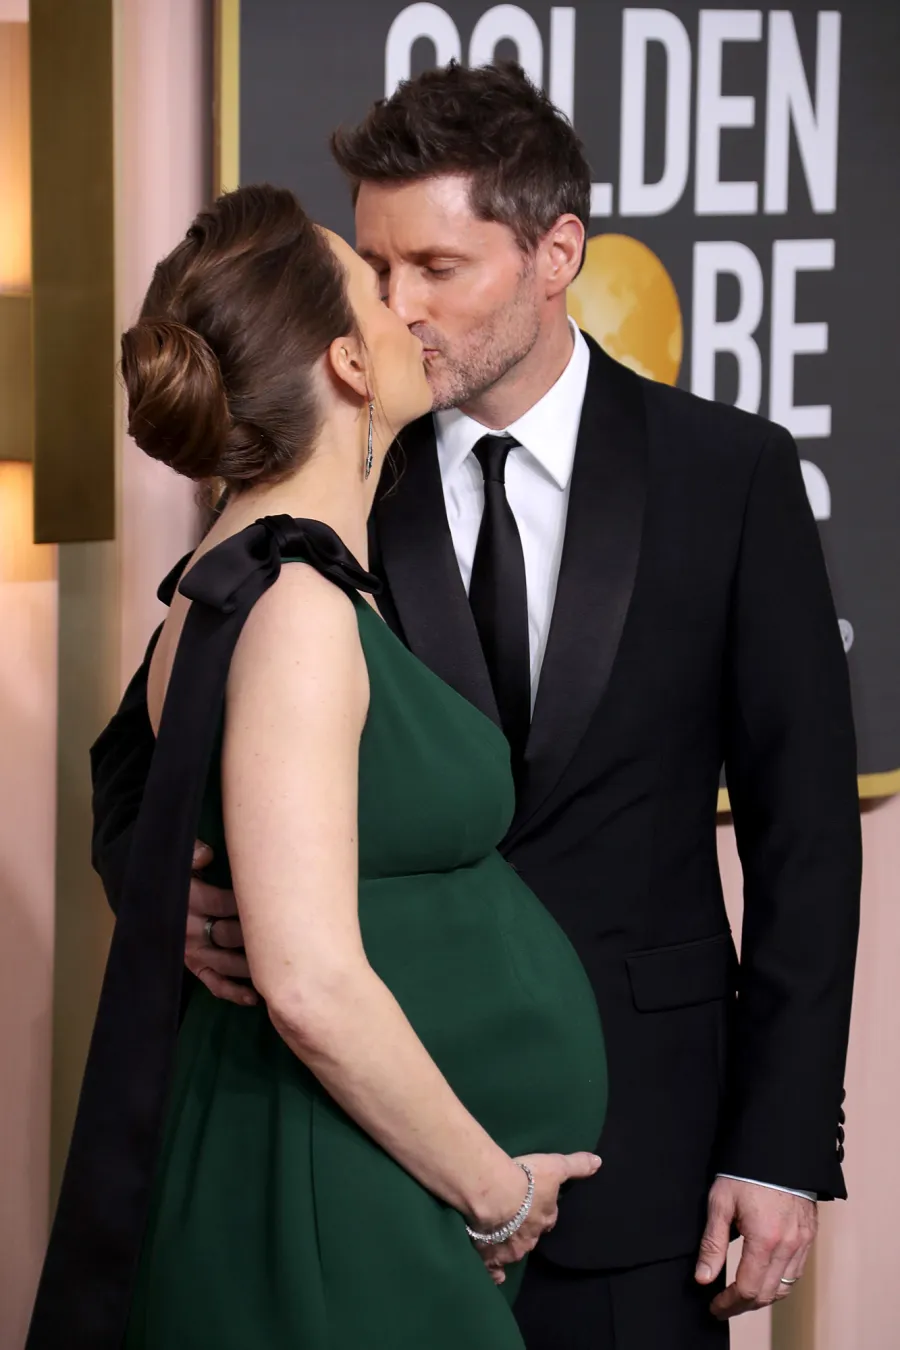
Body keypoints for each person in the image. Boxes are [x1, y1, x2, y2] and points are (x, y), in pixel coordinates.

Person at [89, 62, 861, 1350]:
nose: (399, 307)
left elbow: (808, 838)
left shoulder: (727, 476)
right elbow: (141, 756)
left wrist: (780, 1145)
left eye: (437, 267)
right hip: (371, 1154)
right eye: (377, 266)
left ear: (556, 254)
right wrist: (176, 894)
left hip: (648, 1162)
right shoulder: (325, 472)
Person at [26, 185, 607, 1350]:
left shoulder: (256, 577)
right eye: (376, 294)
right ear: (349, 361)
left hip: (351, 1175)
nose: (408, 312)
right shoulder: (290, 606)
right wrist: (495, 1195)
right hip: (328, 1192)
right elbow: (308, 984)